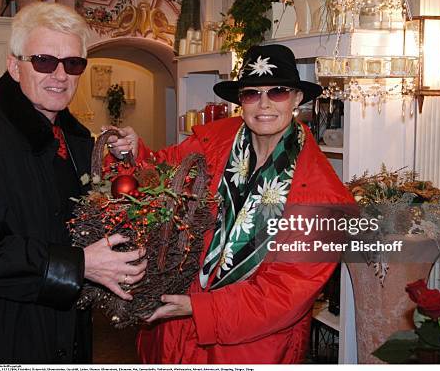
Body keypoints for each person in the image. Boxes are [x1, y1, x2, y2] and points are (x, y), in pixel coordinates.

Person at [0, 3, 146, 363]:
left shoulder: (78, 138)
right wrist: (79, 265)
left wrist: (121, 164)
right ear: (13, 65)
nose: (59, 74)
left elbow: (92, 221)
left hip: (60, 331)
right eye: (43, 60)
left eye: (72, 63)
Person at [108, 44, 355, 363]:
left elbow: (283, 295)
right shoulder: (214, 140)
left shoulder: (327, 199)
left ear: (296, 99)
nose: (264, 104)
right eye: (252, 93)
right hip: (174, 333)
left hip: (251, 347)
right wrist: (131, 152)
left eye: (278, 92)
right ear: (241, 101)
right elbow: (162, 172)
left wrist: (198, 308)